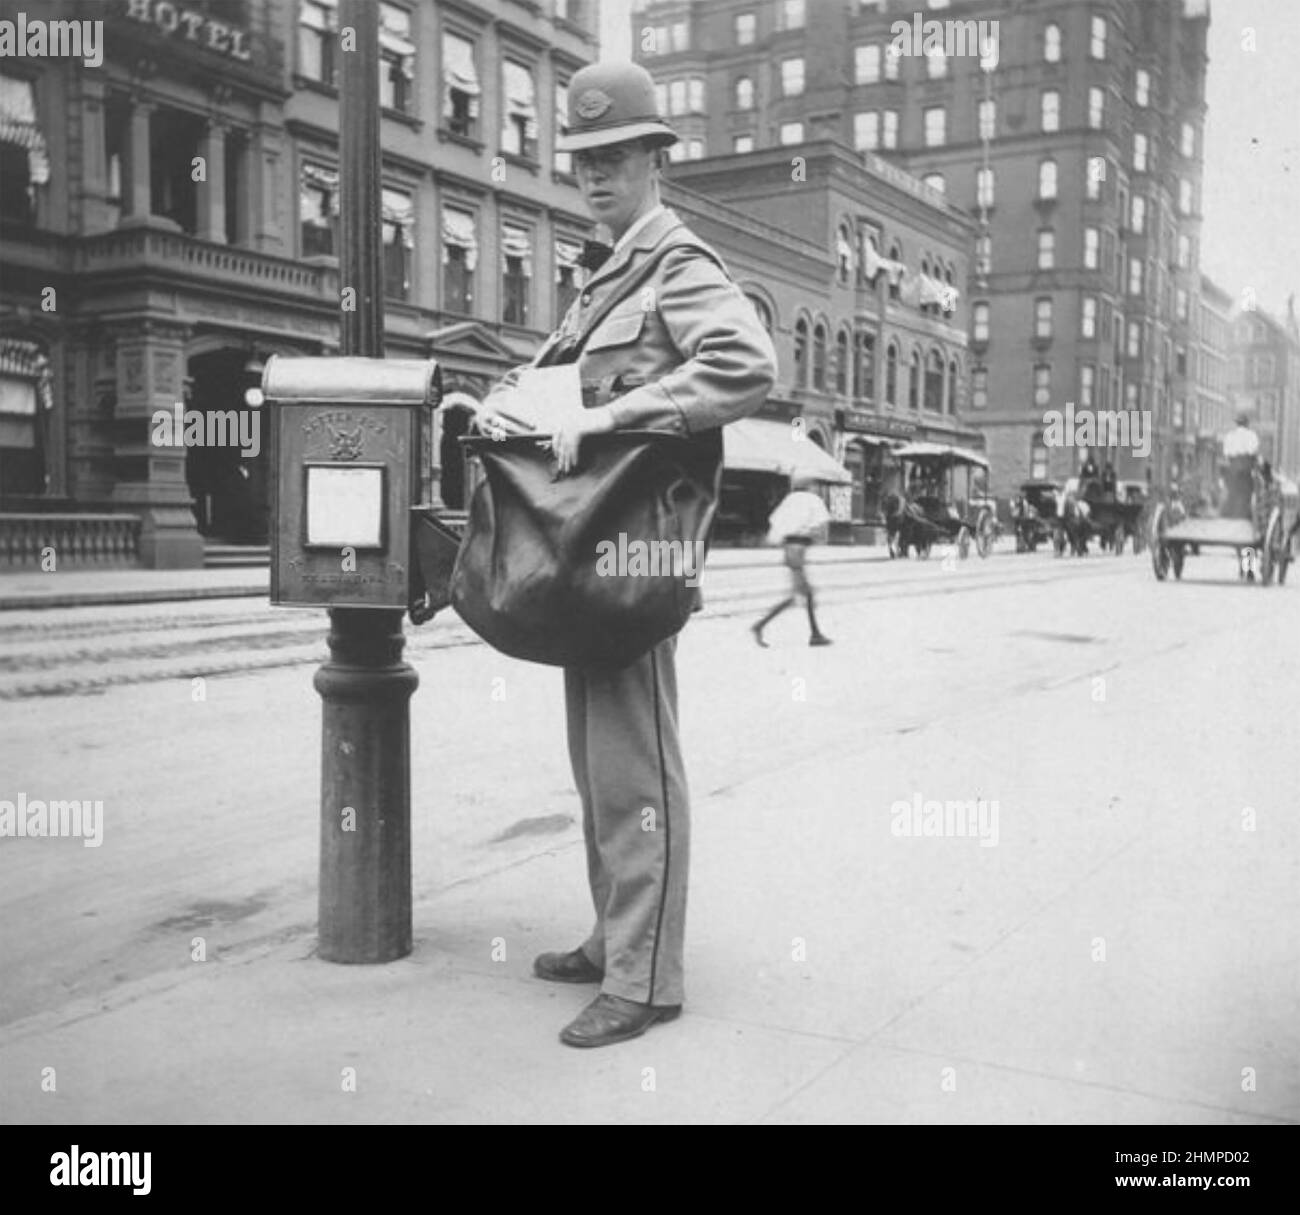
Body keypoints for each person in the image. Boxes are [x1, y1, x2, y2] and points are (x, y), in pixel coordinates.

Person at [479, 62, 777, 1049]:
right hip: (589, 544)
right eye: (583, 160)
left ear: (655, 157)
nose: (597, 176)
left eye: (614, 157)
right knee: (599, 765)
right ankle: (615, 940)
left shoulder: (676, 263)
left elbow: (743, 366)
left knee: (637, 766)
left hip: (635, 546)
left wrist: (617, 413)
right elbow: (560, 380)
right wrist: (500, 404)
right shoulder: (606, 271)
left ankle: (646, 980)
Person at [751, 473, 833, 647]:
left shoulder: (789, 500)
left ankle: (815, 634)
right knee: (800, 595)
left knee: (803, 594)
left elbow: (774, 528)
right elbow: (821, 529)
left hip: (789, 549)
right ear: (810, 485)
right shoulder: (813, 500)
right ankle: (760, 625)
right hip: (798, 550)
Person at [1221, 410, 1260, 520]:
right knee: (1246, 492)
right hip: (1246, 466)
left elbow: (1226, 453)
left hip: (1233, 466)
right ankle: (1243, 515)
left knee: (1232, 491)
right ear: (1247, 424)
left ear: (1237, 423)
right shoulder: (1252, 435)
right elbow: (1253, 452)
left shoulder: (1229, 436)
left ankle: (1231, 515)